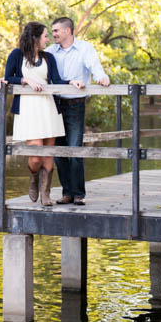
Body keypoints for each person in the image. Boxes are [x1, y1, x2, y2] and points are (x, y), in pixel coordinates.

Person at [0, 21, 84, 206]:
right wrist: (25, 79)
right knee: (36, 152)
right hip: (28, 110)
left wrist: (71, 82)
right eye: (45, 35)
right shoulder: (16, 55)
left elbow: (56, 80)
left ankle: (45, 193)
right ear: (35, 38)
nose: (48, 39)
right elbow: (8, 78)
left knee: (48, 154)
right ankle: (34, 177)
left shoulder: (48, 58)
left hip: (48, 108)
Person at [47, 17, 110, 205]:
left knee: (74, 149)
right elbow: (35, 67)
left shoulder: (85, 48)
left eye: (57, 31)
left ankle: (78, 194)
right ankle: (67, 193)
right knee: (59, 152)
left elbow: (94, 66)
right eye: (52, 31)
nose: (54, 35)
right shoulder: (50, 51)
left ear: (68, 31)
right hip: (55, 104)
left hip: (75, 104)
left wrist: (101, 77)